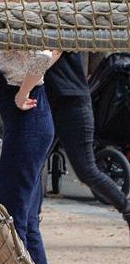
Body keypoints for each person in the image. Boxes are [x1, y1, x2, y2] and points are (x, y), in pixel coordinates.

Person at [0, 47, 60, 264]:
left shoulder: (14, 27)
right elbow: (54, 52)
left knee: (11, 216)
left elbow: (46, 55)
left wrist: (24, 91)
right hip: (32, 122)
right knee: (27, 221)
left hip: (27, 121)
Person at [44, 52, 130, 233]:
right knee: (34, 168)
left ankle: (127, 209)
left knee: (86, 170)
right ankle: (29, 226)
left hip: (73, 105)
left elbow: (51, 55)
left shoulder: (58, 38)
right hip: (49, 104)